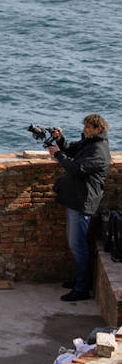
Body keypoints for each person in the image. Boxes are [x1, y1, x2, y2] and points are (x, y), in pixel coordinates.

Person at [46, 114, 111, 302]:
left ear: (99, 129)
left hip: (83, 202)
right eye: (85, 126)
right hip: (76, 200)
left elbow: (76, 168)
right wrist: (60, 140)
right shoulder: (90, 143)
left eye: (89, 127)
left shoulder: (99, 151)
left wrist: (57, 155)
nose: (85, 130)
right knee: (75, 244)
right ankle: (80, 282)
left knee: (79, 246)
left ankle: (82, 288)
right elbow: (72, 150)